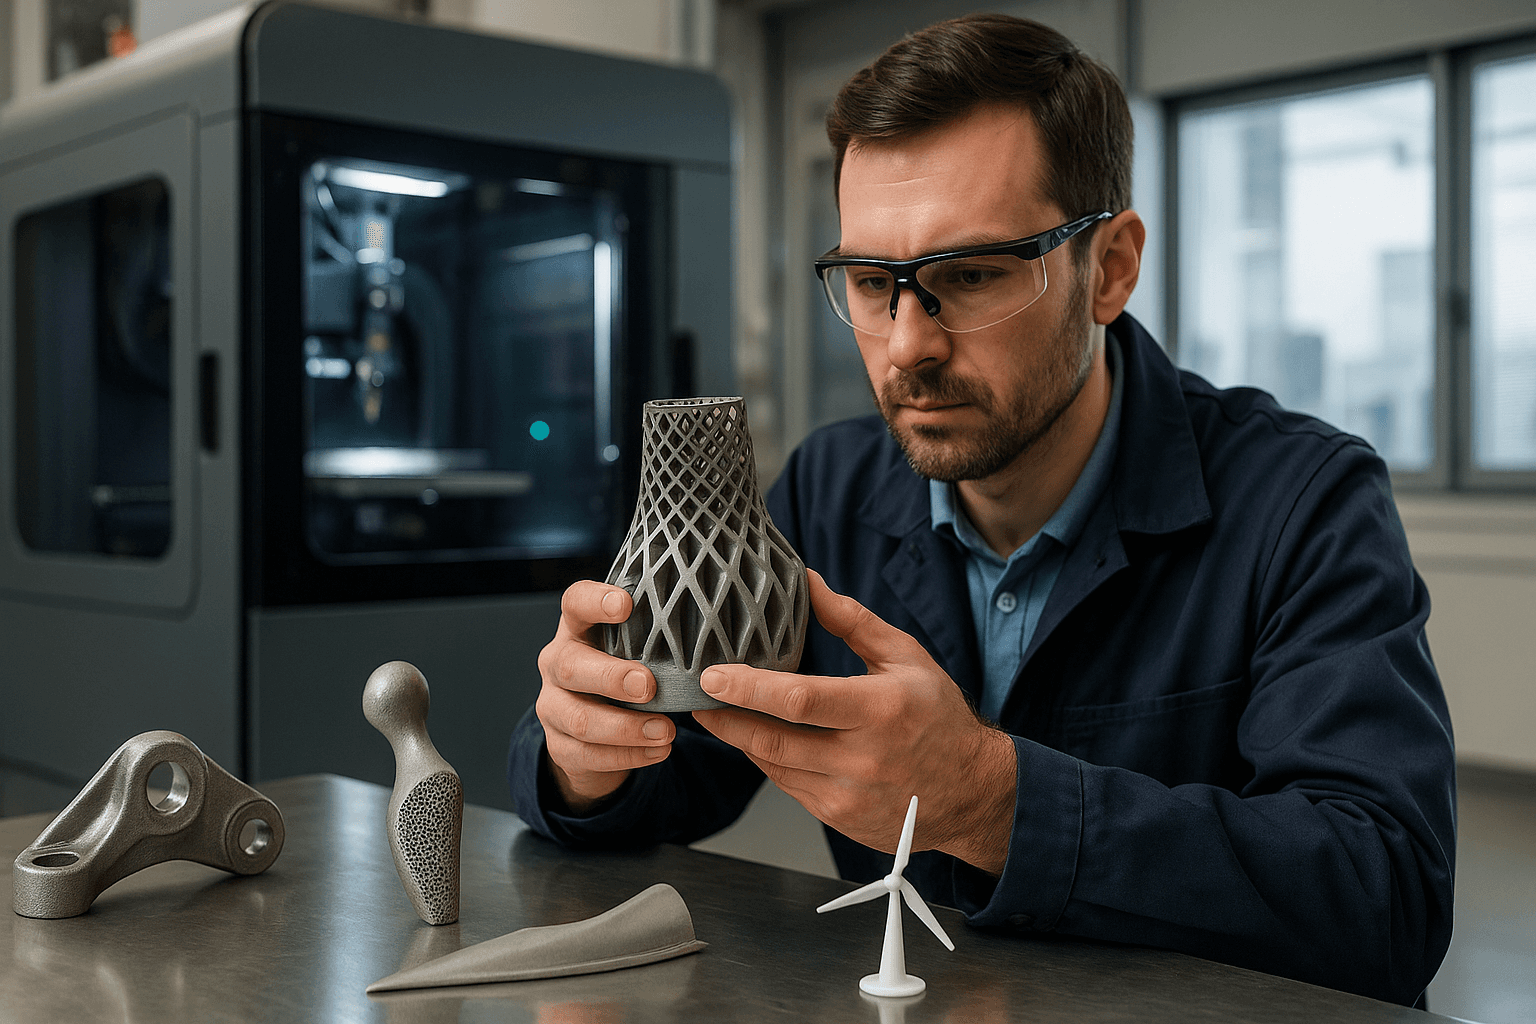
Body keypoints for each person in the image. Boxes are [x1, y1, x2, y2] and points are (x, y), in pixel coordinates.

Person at [508, 13, 1455, 1008]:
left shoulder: (1303, 502)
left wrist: (990, 800)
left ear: (1111, 268)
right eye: (874, 283)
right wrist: (586, 755)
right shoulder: (829, 490)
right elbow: (678, 770)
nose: (908, 343)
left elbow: (1383, 897)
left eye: (968, 276)